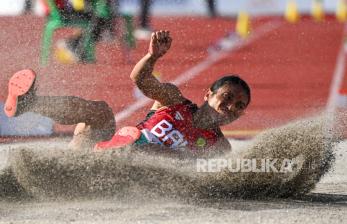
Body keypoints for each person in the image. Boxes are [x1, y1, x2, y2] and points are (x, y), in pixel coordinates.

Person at [4, 30, 250, 156]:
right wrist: (152, 56)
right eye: (227, 97)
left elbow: (189, 177)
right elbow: (139, 79)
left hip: (131, 174)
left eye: (239, 106)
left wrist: (155, 154)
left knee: (137, 150)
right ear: (208, 94)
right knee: (100, 112)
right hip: (102, 152)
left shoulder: (219, 146)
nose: (230, 107)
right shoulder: (174, 100)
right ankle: (30, 103)